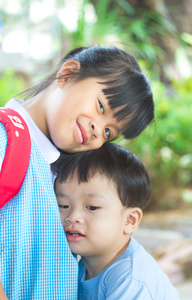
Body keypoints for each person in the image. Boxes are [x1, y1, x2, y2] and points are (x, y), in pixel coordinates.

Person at [0, 45, 155, 299]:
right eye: (101, 107)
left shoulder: (60, 172)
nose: (98, 129)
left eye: (108, 133)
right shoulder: (6, 138)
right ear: (68, 74)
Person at [52, 143, 180, 300]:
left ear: (129, 220)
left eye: (92, 207)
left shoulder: (131, 280)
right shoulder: (79, 266)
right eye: (63, 205)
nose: (72, 217)